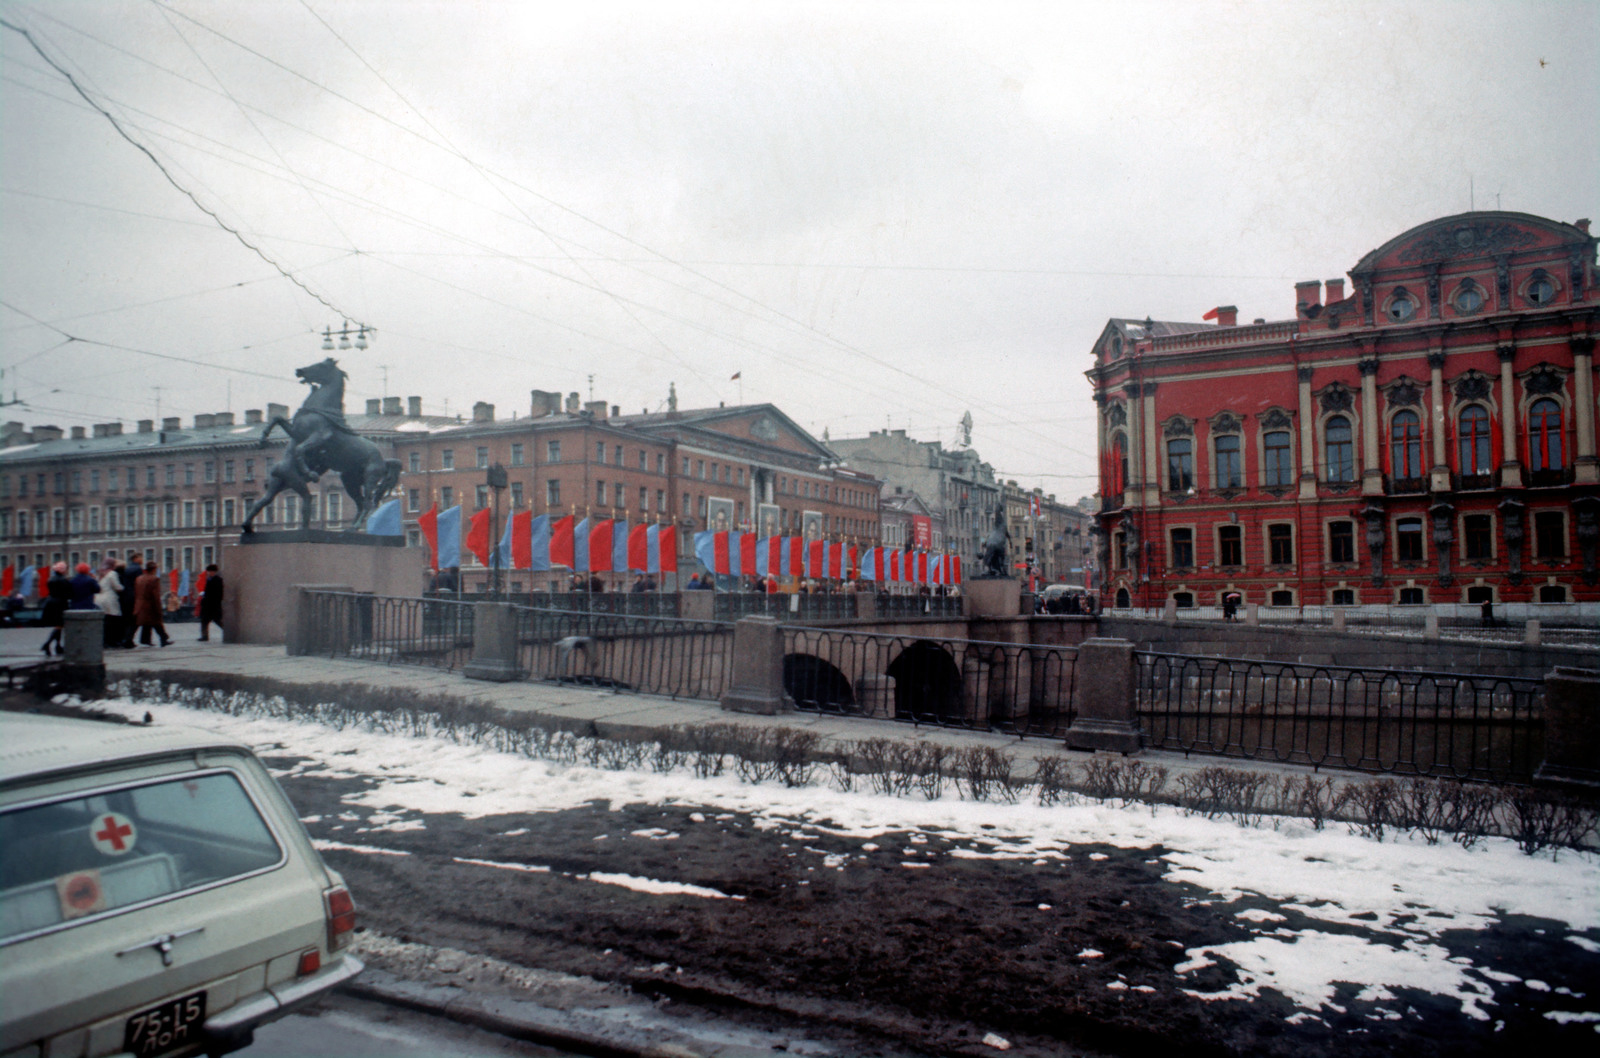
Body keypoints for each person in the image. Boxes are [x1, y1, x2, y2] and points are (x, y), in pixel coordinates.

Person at [133, 561, 172, 647]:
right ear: (154, 569)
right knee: (156, 622)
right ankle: (163, 638)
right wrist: (158, 608)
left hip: (139, 604)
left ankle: (145, 639)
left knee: (141, 623)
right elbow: (155, 595)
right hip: (149, 605)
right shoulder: (154, 579)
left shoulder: (139, 578)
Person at [40, 562, 70, 655]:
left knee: (58, 626)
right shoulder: (63, 580)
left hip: (51, 602)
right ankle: (47, 644)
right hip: (60, 603)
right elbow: (68, 593)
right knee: (59, 625)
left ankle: (57, 646)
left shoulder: (51, 579)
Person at [96, 561, 125, 648]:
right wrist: (123, 588)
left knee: (106, 621)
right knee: (113, 621)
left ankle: (105, 641)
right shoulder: (112, 574)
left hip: (100, 599)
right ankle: (112, 641)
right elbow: (117, 587)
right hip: (109, 599)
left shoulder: (102, 575)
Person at [118, 555, 143, 648]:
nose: (142, 559)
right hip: (134, 596)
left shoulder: (127, 569)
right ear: (136, 559)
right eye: (141, 557)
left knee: (127, 619)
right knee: (135, 619)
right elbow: (139, 583)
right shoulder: (137, 569)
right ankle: (128, 640)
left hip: (125, 596)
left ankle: (125, 639)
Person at [198, 564, 225, 641]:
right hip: (208, 605)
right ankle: (204, 636)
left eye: (210, 571)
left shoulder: (218, 580)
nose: (209, 573)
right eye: (208, 571)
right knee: (204, 621)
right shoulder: (209, 579)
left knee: (217, 620)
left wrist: (215, 601)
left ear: (214, 572)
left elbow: (219, 593)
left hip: (214, 605)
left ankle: (228, 632)